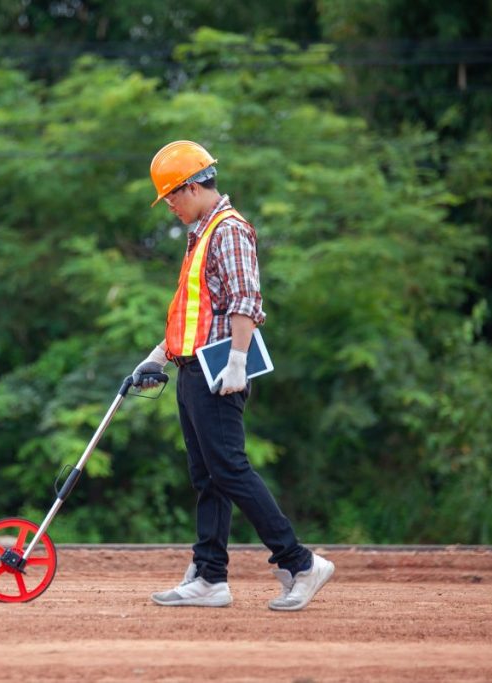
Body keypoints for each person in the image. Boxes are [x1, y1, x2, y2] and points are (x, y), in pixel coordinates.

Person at [132, 140, 334, 611]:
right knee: (206, 476)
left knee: (229, 468)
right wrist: (157, 357)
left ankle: (300, 562)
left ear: (193, 186)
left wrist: (238, 363)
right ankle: (209, 576)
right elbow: (196, 312)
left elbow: (246, 300)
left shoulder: (229, 231)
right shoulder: (200, 234)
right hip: (190, 369)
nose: (171, 207)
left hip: (219, 370)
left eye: (173, 197)